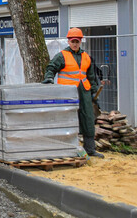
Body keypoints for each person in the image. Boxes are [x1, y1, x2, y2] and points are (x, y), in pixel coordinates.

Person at [43, 27, 103, 158]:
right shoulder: (62, 56)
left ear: (81, 41)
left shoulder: (86, 57)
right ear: (68, 41)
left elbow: (91, 76)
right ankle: (67, 147)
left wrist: (93, 93)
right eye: (72, 41)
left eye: (77, 41)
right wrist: (48, 78)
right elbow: (51, 68)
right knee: (68, 119)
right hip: (68, 93)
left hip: (84, 92)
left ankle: (90, 149)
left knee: (88, 119)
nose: (75, 43)